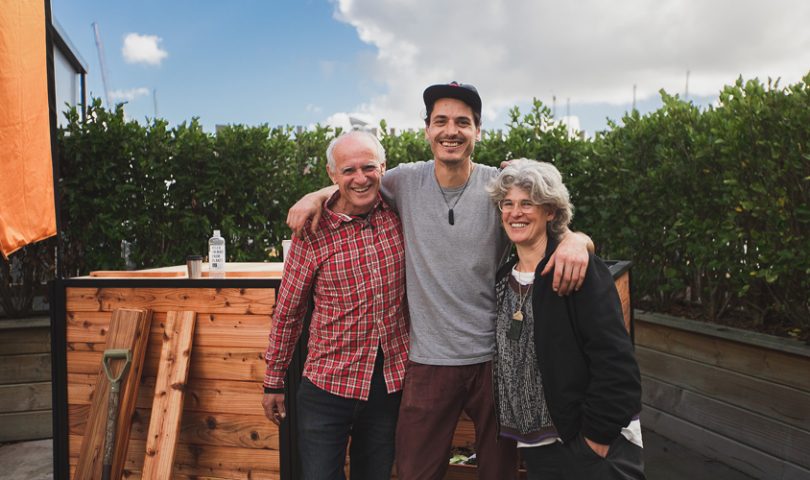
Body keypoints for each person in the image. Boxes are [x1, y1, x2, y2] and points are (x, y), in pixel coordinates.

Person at [287, 82, 594, 479]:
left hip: (495, 358)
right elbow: (359, 182)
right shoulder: (404, 182)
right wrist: (317, 194)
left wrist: (575, 241)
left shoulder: (499, 188)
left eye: (462, 122)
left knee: (499, 472)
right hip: (427, 362)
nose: (451, 130)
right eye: (441, 121)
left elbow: (549, 217)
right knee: (416, 472)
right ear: (427, 129)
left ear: (477, 130)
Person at [262, 131, 409, 480]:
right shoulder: (311, 232)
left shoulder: (400, 212)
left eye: (369, 167)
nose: (360, 178)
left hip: (388, 386)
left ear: (383, 168)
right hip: (327, 387)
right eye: (348, 171)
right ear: (332, 175)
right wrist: (273, 382)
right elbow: (288, 312)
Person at [487, 159, 644, 479]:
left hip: (590, 446)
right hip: (537, 447)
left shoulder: (577, 270)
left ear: (551, 212)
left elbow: (616, 362)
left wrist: (596, 440)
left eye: (527, 203)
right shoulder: (504, 278)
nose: (515, 213)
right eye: (508, 203)